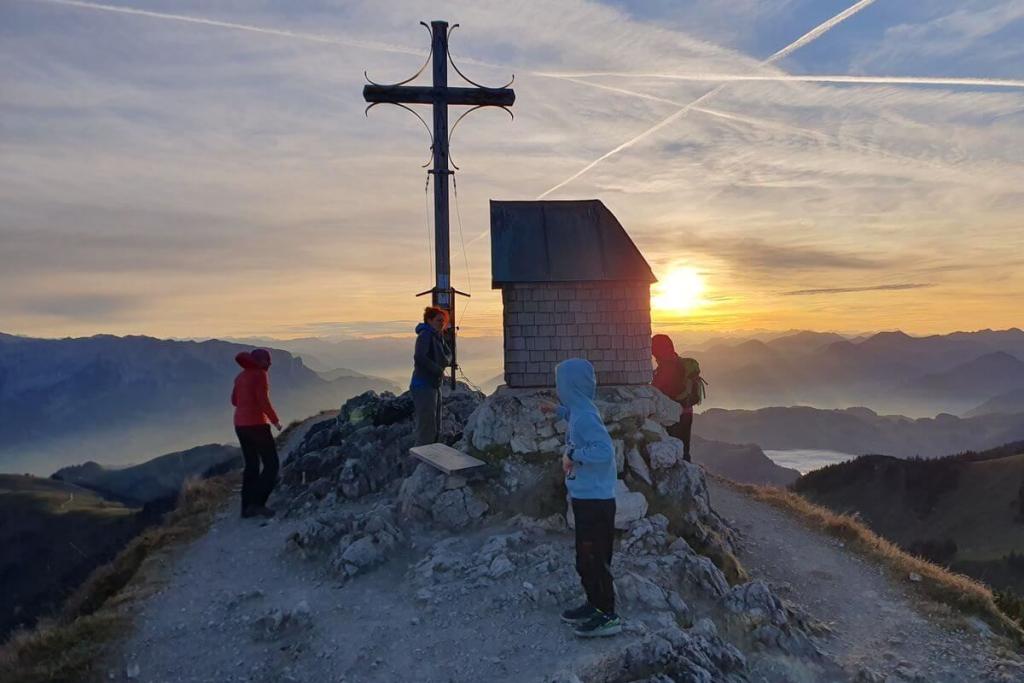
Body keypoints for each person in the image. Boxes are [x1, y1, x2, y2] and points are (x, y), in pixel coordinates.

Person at [545, 358, 622, 638]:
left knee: (594, 559)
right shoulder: (580, 409)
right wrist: (559, 411)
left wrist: (573, 455)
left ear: (571, 385)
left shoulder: (587, 416)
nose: (558, 387)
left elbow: (604, 451)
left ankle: (607, 615)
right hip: (587, 497)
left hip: (595, 502)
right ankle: (594, 605)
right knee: (586, 558)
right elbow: (576, 417)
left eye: (560, 383)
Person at [231, 348, 282, 519]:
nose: (270, 364)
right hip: (256, 424)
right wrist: (275, 421)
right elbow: (263, 401)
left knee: (251, 466)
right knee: (271, 464)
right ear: (261, 361)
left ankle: (246, 508)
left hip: (240, 425)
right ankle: (257, 504)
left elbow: (234, 401)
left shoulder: (240, 376)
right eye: (267, 360)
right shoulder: (260, 375)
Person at [651, 334, 702, 463]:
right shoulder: (677, 361)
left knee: (674, 449)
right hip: (687, 412)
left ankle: (680, 476)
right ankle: (687, 474)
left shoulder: (666, 368)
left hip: (673, 415)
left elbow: (655, 389)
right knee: (684, 447)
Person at [411, 306, 452, 446]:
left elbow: (447, 356)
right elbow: (419, 357)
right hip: (423, 384)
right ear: (429, 320)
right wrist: (437, 370)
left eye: (443, 321)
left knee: (434, 420)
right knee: (426, 422)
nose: (441, 323)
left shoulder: (437, 336)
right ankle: (423, 454)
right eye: (438, 320)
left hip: (433, 384)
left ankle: (432, 450)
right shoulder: (426, 335)